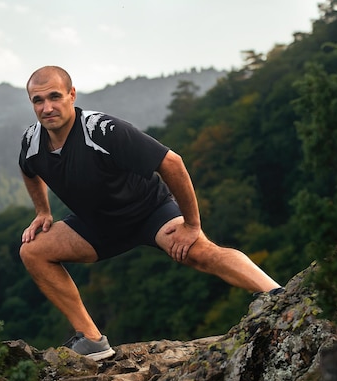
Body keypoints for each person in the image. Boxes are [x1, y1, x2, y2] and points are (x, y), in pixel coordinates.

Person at [18, 66, 283, 361]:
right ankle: (92, 341)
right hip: (97, 226)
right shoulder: (32, 141)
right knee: (33, 251)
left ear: (72, 95)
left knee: (202, 253)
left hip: (150, 213)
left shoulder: (102, 130)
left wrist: (192, 224)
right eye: (38, 100)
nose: (47, 107)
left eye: (54, 97)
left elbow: (172, 163)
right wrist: (43, 210)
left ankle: (280, 298)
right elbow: (29, 170)